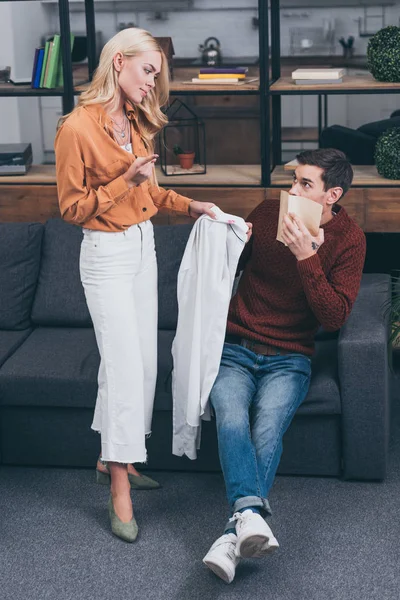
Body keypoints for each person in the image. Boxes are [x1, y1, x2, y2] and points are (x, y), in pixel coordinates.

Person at [54, 27, 216, 542]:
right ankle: (119, 486)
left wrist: (193, 206)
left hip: (142, 247)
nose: (153, 83)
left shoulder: (136, 119)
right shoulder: (76, 128)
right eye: (148, 71)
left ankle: (111, 458)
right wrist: (124, 182)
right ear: (119, 62)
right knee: (123, 369)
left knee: (144, 365)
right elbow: (72, 209)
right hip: (104, 256)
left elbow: (152, 190)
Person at [203, 148, 366, 583]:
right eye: (293, 181)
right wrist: (228, 236)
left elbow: (334, 316)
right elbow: (223, 271)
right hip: (235, 345)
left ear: (332, 194)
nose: (292, 191)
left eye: (305, 185)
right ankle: (249, 517)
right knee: (232, 418)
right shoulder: (270, 210)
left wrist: (307, 257)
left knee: (268, 426)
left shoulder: (350, 240)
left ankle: (229, 534)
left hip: (290, 358)